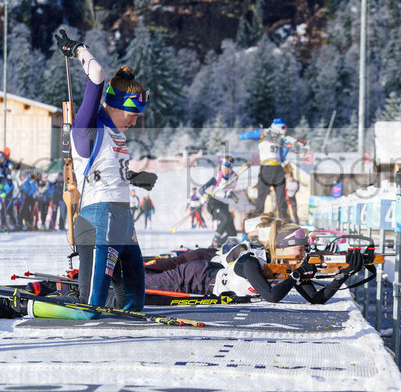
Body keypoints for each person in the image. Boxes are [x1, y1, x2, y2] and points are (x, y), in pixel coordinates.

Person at [0, 29, 159, 321]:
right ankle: (20, 305)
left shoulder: (117, 133)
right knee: (89, 311)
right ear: (114, 106)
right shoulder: (87, 128)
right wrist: (78, 49)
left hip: (123, 219)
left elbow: (103, 171)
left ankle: (87, 295)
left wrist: (134, 177)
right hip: (98, 218)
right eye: (132, 115)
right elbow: (97, 74)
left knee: (133, 304)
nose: (135, 122)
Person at [142, 220, 363, 304]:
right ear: (282, 247)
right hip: (194, 278)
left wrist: (344, 274)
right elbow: (272, 296)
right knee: (140, 284)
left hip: (208, 275)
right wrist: (297, 275)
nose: (303, 254)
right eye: (300, 249)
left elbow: (316, 299)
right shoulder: (251, 260)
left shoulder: (288, 268)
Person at [240, 118, 292, 220]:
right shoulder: (265, 134)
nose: (284, 130)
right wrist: (260, 133)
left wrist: (288, 147)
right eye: (283, 128)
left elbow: (281, 158)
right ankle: (256, 220)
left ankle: (285, 221)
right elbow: (242, 136)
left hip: (278, 168)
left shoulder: (280, 139)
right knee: (262, 196)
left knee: (281, 198)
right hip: (266, 168)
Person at [199, 156, 239, 247]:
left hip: (224, 205)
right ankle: (216, 239)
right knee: (226, 218)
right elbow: (201, 190)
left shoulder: (235, 177)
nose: (224, 170)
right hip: (214, 204)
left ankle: (221, 243)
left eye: (226, 168)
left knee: (233, 233)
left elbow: (230, 191)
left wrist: (233, 196)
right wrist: (206, 195)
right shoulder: (217, 177)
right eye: (222, 167)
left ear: (231, 168)